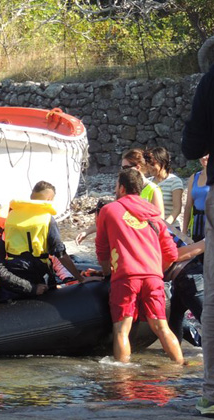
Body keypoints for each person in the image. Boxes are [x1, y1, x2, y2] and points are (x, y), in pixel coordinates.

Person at [95, 169, 183, 364]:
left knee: (121, 329)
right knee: (162, 327)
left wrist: (107, 273)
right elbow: (172, 254)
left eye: (116, 186)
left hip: (125, 276)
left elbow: (102, 249)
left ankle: (122, 378)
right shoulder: (153, 215)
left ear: (122, 187)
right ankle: (179, 366)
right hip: (153, 276)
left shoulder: (109, 210)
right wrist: (156, 271)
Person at [180, 62, 214, 414]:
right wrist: (189, 230)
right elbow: (190, 207)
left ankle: (212, 393)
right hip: (201, 224)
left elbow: (192, 141)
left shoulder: (211, 79)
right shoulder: (194, 181)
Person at [2, 181, 83, 298]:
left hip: (13, 272)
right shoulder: (47, 219)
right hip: (37, 272)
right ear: (49, 200)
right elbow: (60, 253)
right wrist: (80, 278)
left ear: (31, 196)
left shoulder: (10, 216)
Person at [76, 149, 166, 244]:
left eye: (125, 167)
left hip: (145, 241)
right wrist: (87, 231)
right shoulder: (124, 188)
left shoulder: (154, 190)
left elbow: (160, 222)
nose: (122, 171)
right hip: (126, 240)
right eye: (122, 168)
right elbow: (112, 216)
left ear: (138, 167)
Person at [146, 147, 184, 228]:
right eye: (148, 163)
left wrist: (164, 225)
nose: (149, 166)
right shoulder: (147, 182)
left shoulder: (174, 181)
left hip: (170, 228)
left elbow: (177, 209)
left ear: (163, 163)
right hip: (151, 228)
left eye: (153, 164)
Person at [182, 155, 209, 242]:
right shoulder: (194, 177)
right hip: (196, 227)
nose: (204, 157)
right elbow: (188, 206)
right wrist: (184, 232)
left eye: (207, 154)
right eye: (202, 154)